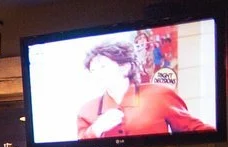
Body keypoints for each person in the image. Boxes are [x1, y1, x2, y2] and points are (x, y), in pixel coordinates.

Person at [77, 40, 216, 139]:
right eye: (93, 69)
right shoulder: (86, 110)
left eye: (103, 67)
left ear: (125, 67)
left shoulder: (159, 95)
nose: (97, 74)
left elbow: (193, 129)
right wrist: (96, 130)